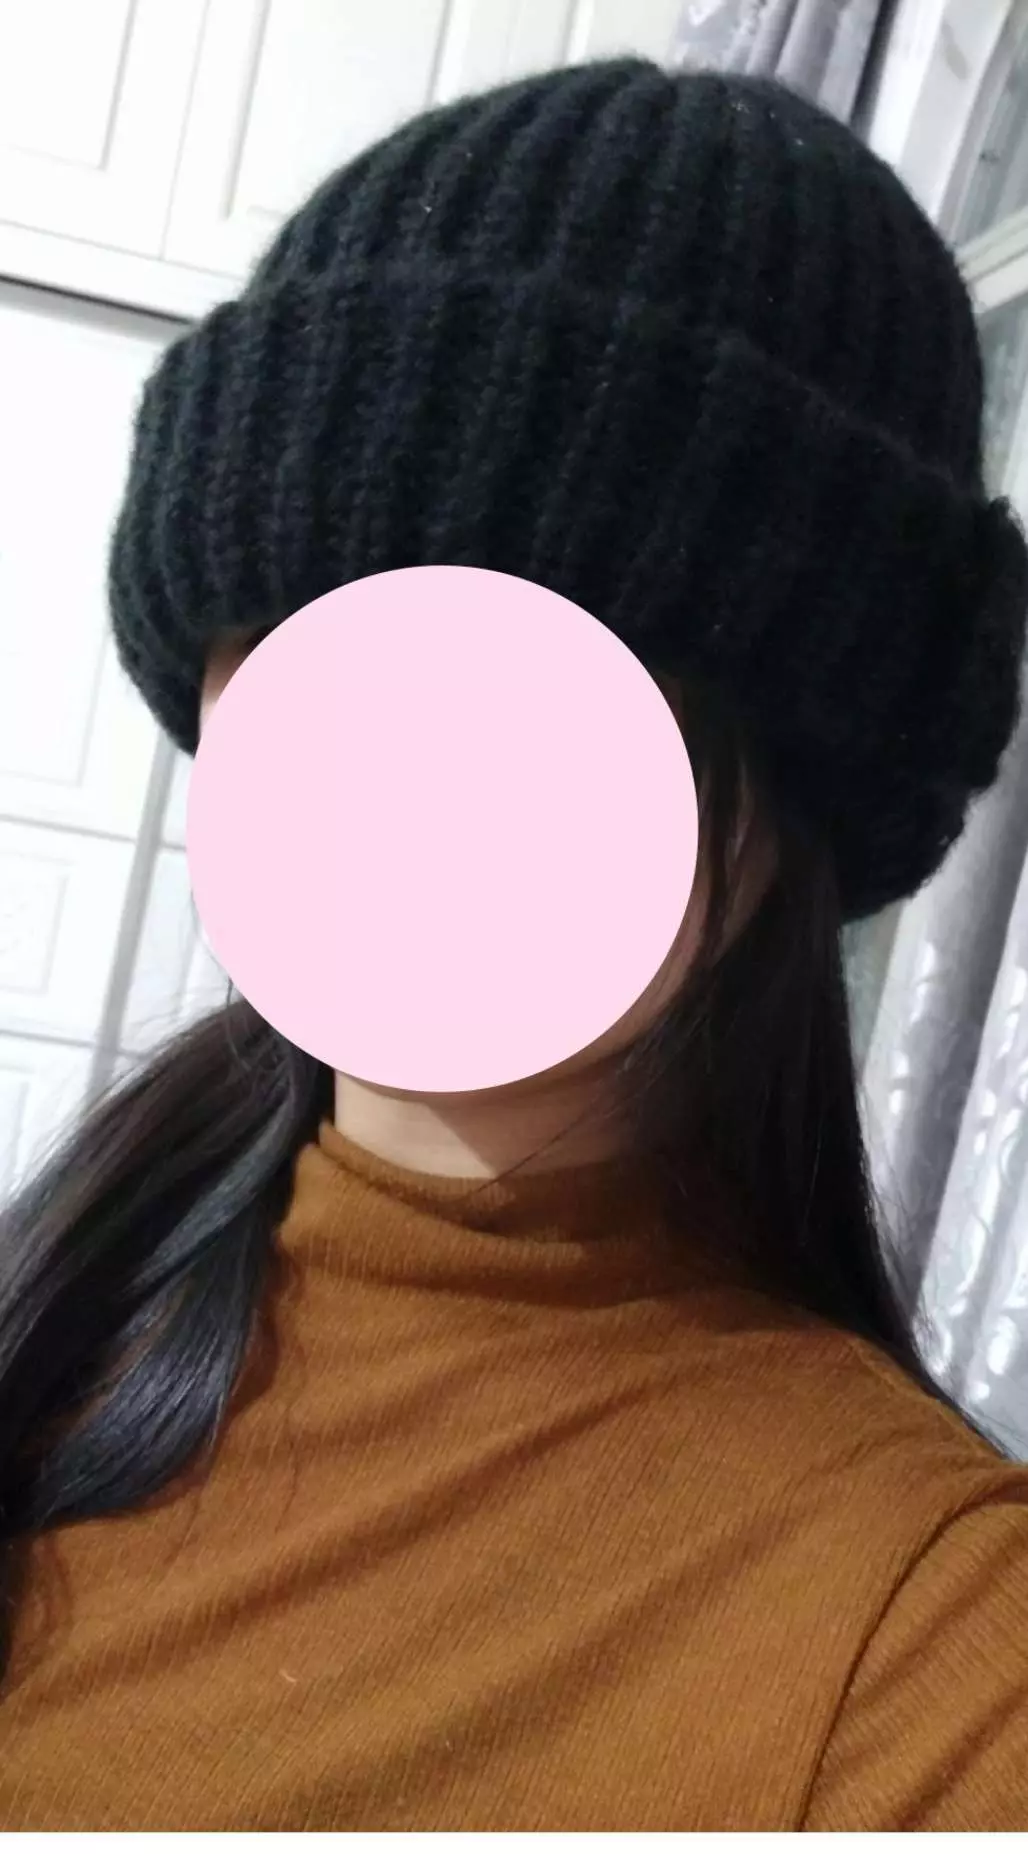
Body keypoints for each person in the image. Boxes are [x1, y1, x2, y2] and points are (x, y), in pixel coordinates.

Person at [1, 57, 1027, 1833]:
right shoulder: (67, 1292)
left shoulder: (937, 1653)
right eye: (325, 625)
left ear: (796, 790)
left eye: (537, 659)